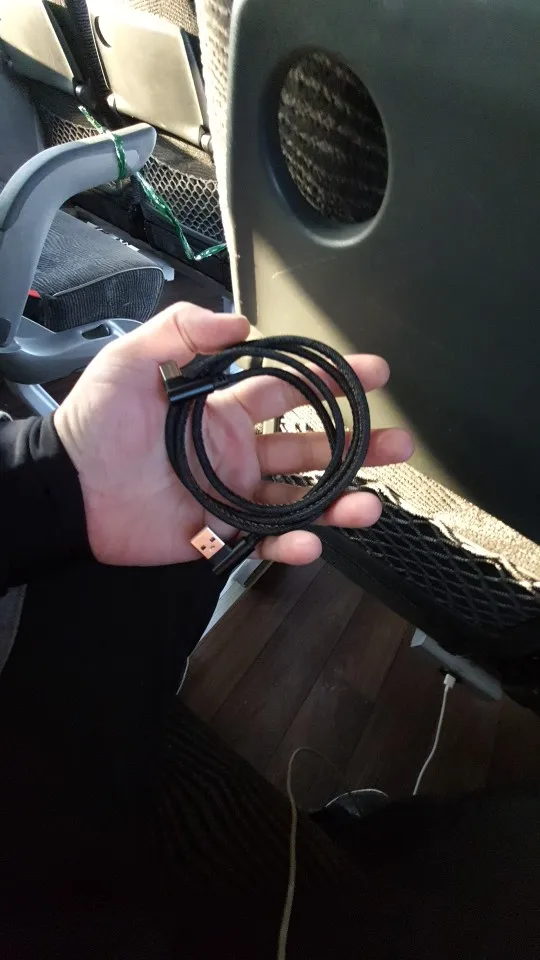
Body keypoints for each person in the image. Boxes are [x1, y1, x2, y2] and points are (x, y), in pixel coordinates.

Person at [1, 303, 539, 959]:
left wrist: (55, 473)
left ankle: (363, 831)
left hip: (91, 641)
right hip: (76, 854)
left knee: (190, 553)